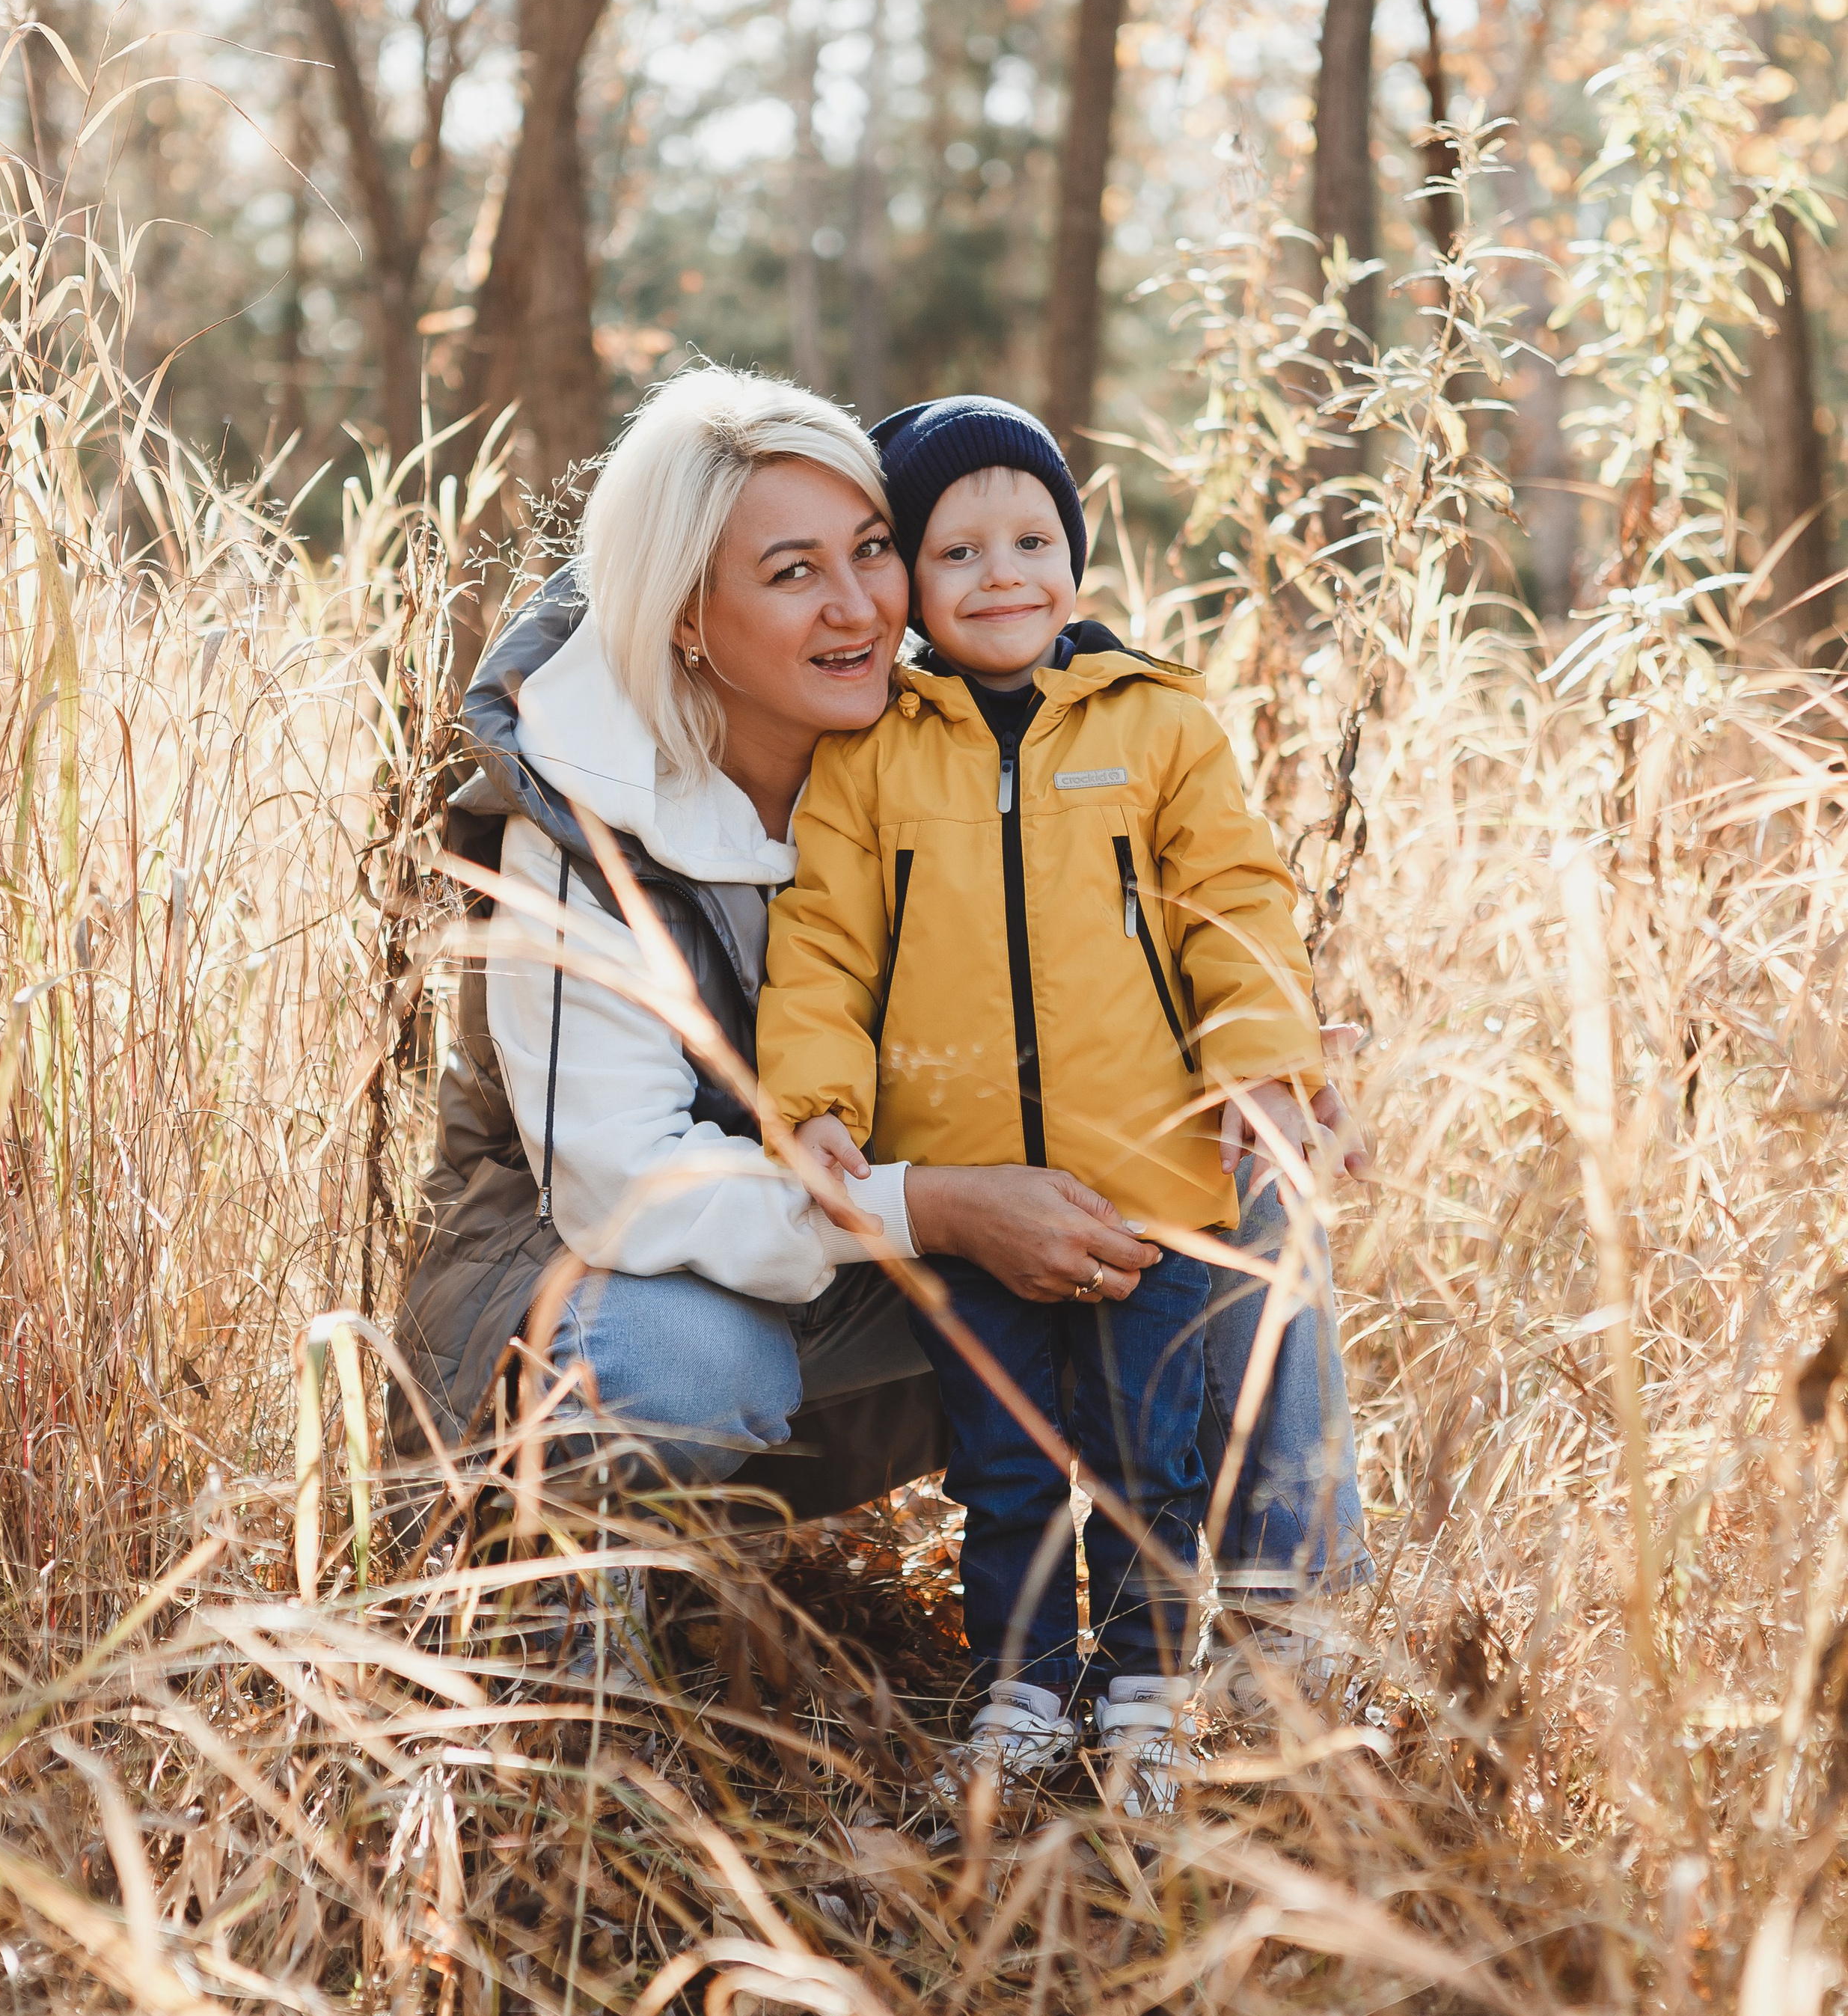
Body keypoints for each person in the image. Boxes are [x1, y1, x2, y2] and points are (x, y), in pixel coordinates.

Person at [390, 367, 1369, 1700]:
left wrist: (1253, 1063)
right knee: (680, 1360)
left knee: (1243, 1192)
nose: (860, 609)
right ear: (689, 615)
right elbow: (618, 1185)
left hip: (891, 1240)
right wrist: (944, 1210)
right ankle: (557, 1670)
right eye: (794, 573)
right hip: (622, 1288)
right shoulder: (575, 824)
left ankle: (1297, 1681)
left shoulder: (966, 732)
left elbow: (1174, 913)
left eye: (872, 551)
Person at [759, 395, 1352, 1808]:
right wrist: (817, 1104)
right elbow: (825, 955)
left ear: (1075, 555)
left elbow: (1235, 903)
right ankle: (1020, 1689)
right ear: (908, 583)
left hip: (1152, 1177)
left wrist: (1264, 1060)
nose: (1005, 573)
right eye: (959, 552)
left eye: (1034, 537)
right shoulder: (872, 753)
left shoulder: (1156, 724)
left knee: (1150, 1459)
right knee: (1009, 1466)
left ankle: (1145, 1696)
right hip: (968, 1199)